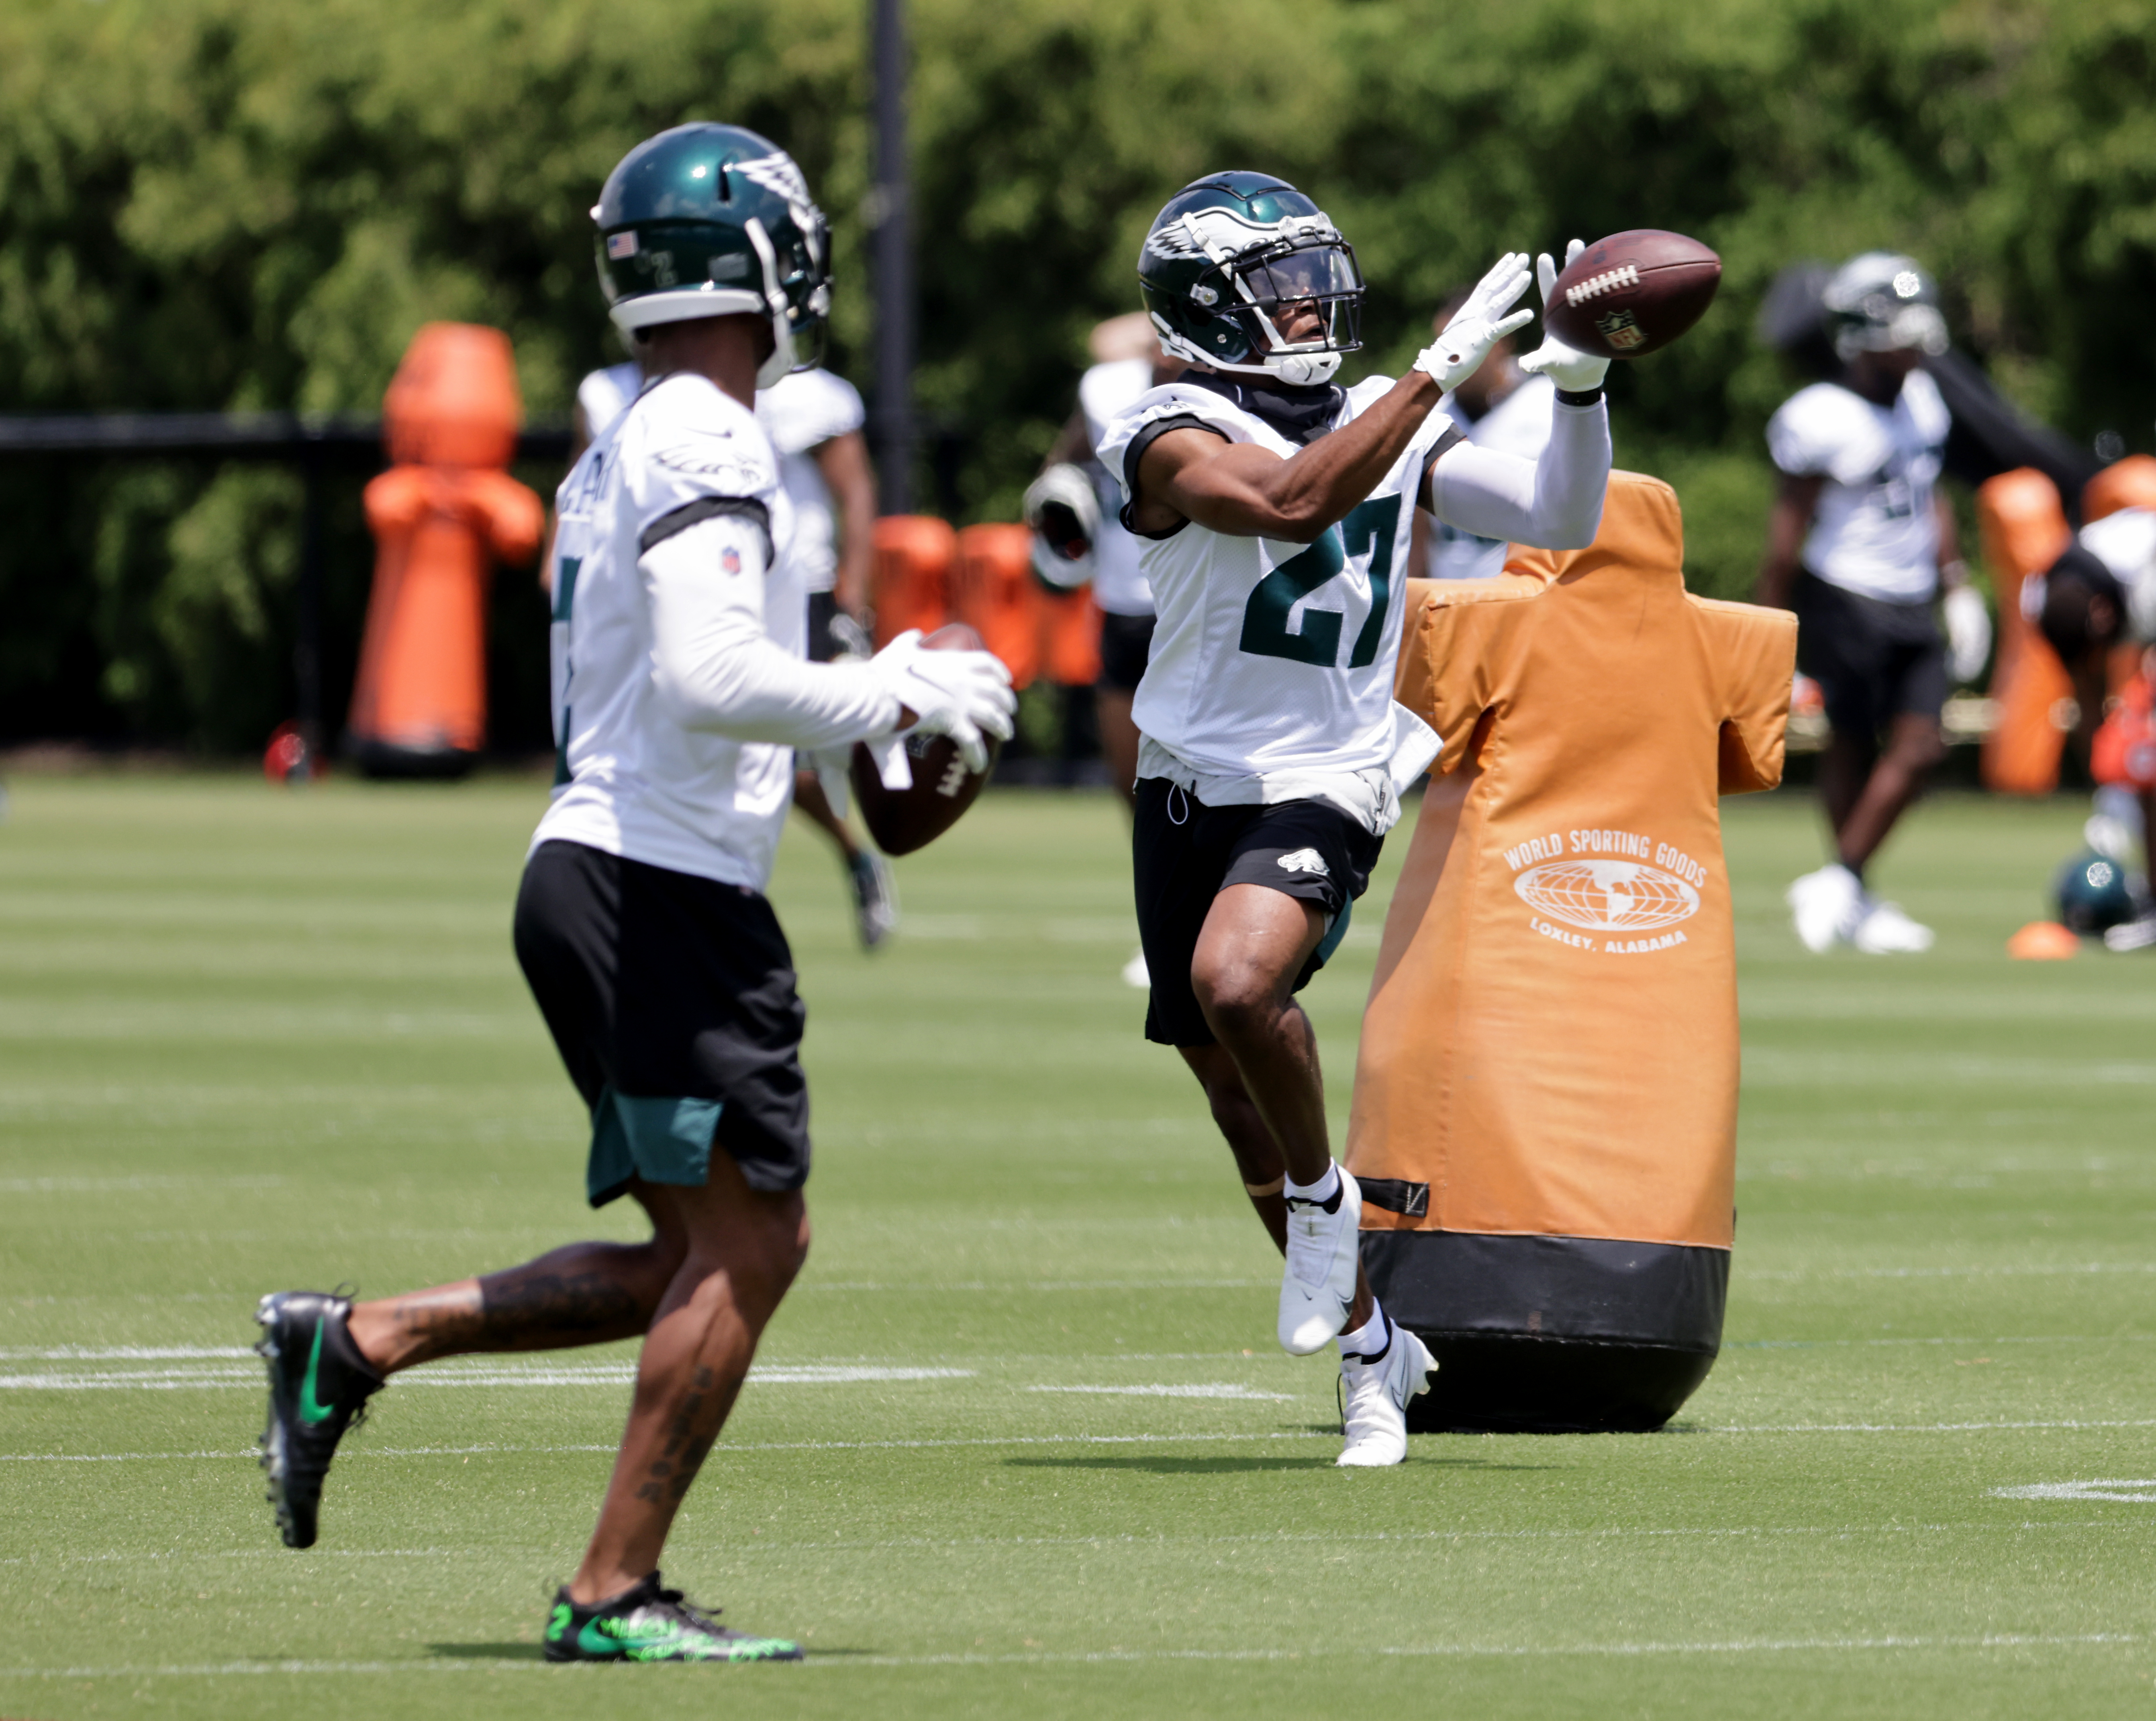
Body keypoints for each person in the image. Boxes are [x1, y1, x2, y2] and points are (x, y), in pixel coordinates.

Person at [251, 123, 1015, 1662]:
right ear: (752, 262)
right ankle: (607, 1590)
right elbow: (711, 671)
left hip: (634, 868)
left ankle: (357, 1340)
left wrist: (873, 708)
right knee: (752, 1246)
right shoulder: (709, 434)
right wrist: (893, 683)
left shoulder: (644, 429)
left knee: (702, 1254)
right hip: (649, 879)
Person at [1098, 172, 1612, 1465]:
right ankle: (1376, 1347)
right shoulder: (1165, 420)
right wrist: (1436, 373)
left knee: (1236, 980)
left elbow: (1560, 516)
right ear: (1207, 305)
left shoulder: (1392, 420)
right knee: (1231, 1101)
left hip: (1327, 773)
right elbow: (1285, 501)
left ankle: (1327, 1212)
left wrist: (1579, 386)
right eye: (1276, 282)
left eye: (1311, 272)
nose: (1306, 300)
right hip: (1184, 782)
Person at [555, 355, 897, 949]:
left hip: (788, 593)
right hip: (666, 592)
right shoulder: (620, 399)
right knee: (731, 749)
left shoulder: (803, 400)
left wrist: (853, 595)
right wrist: (897, 695)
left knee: (787, 764)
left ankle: (849, 860)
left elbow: (855, 487)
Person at [1756, 251, 1989, 955]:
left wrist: (1956, 584)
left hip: (1910, 594)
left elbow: (1929, 494)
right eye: (1904, 335)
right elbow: (1784, 535)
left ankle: (1839, 879)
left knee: (1920, 744)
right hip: (1845, 593)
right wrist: (1772, 636)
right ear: (1862, 333)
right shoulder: (1819, 415)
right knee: (1851, 744)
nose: (1917, 348)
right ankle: (1850, 888)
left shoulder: (1921, 401)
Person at [1027, 312, 1186, 987]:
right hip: (1124, 603)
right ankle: (1163, 929)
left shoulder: (1215, 391)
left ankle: (1206, 919)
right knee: (1133, 784)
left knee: (1203, 777)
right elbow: (1064, 462)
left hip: (1193, 604)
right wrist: (1052, 503)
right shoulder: (1107, 389)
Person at [2029, 504, 2156, 947]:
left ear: (2103, 613)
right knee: (2143, 770)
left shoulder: (2146, 581)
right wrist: (2111, 789)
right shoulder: (2050, 598)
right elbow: (2084, 691)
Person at [1406, 288, 1555, 581]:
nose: (1454, 360)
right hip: (1449, 607)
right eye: (1445, 346)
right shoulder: (1432, 415)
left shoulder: (1547, 404)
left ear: (1503, 342)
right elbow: (1417, 529)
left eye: (1467, 346)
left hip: (1530, 604)